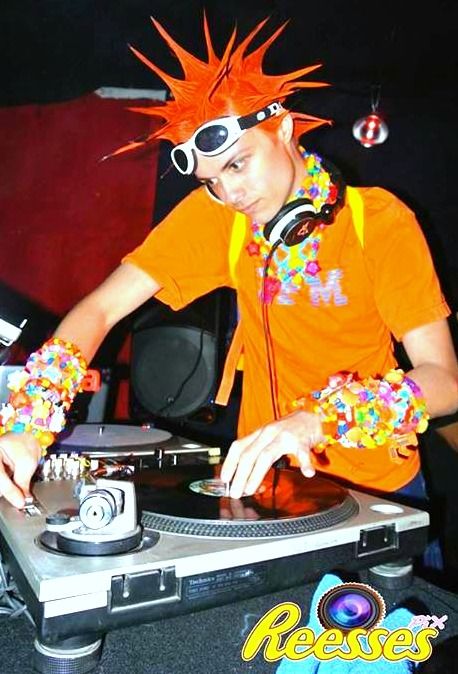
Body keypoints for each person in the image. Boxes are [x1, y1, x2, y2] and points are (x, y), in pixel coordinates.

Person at [0, 16, 457, 510]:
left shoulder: (380, 222)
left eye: (237, 164)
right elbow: (100, 310)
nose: (230, 193)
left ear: (283, 128)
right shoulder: (219, 218)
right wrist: (27, 427)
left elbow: (445, 381)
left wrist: (320, 420)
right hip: (266, 485)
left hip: (379, 491)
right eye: (211, 180)